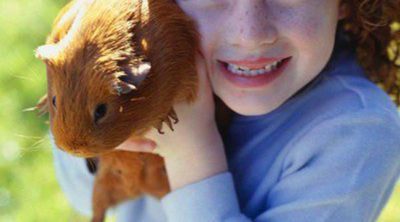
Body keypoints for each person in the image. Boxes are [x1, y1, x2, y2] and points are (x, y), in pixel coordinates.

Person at [51, 0, 400, 221]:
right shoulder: (141, 71)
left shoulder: (356, 129)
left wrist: (192, 151)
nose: (250, 35)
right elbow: (82, 196)